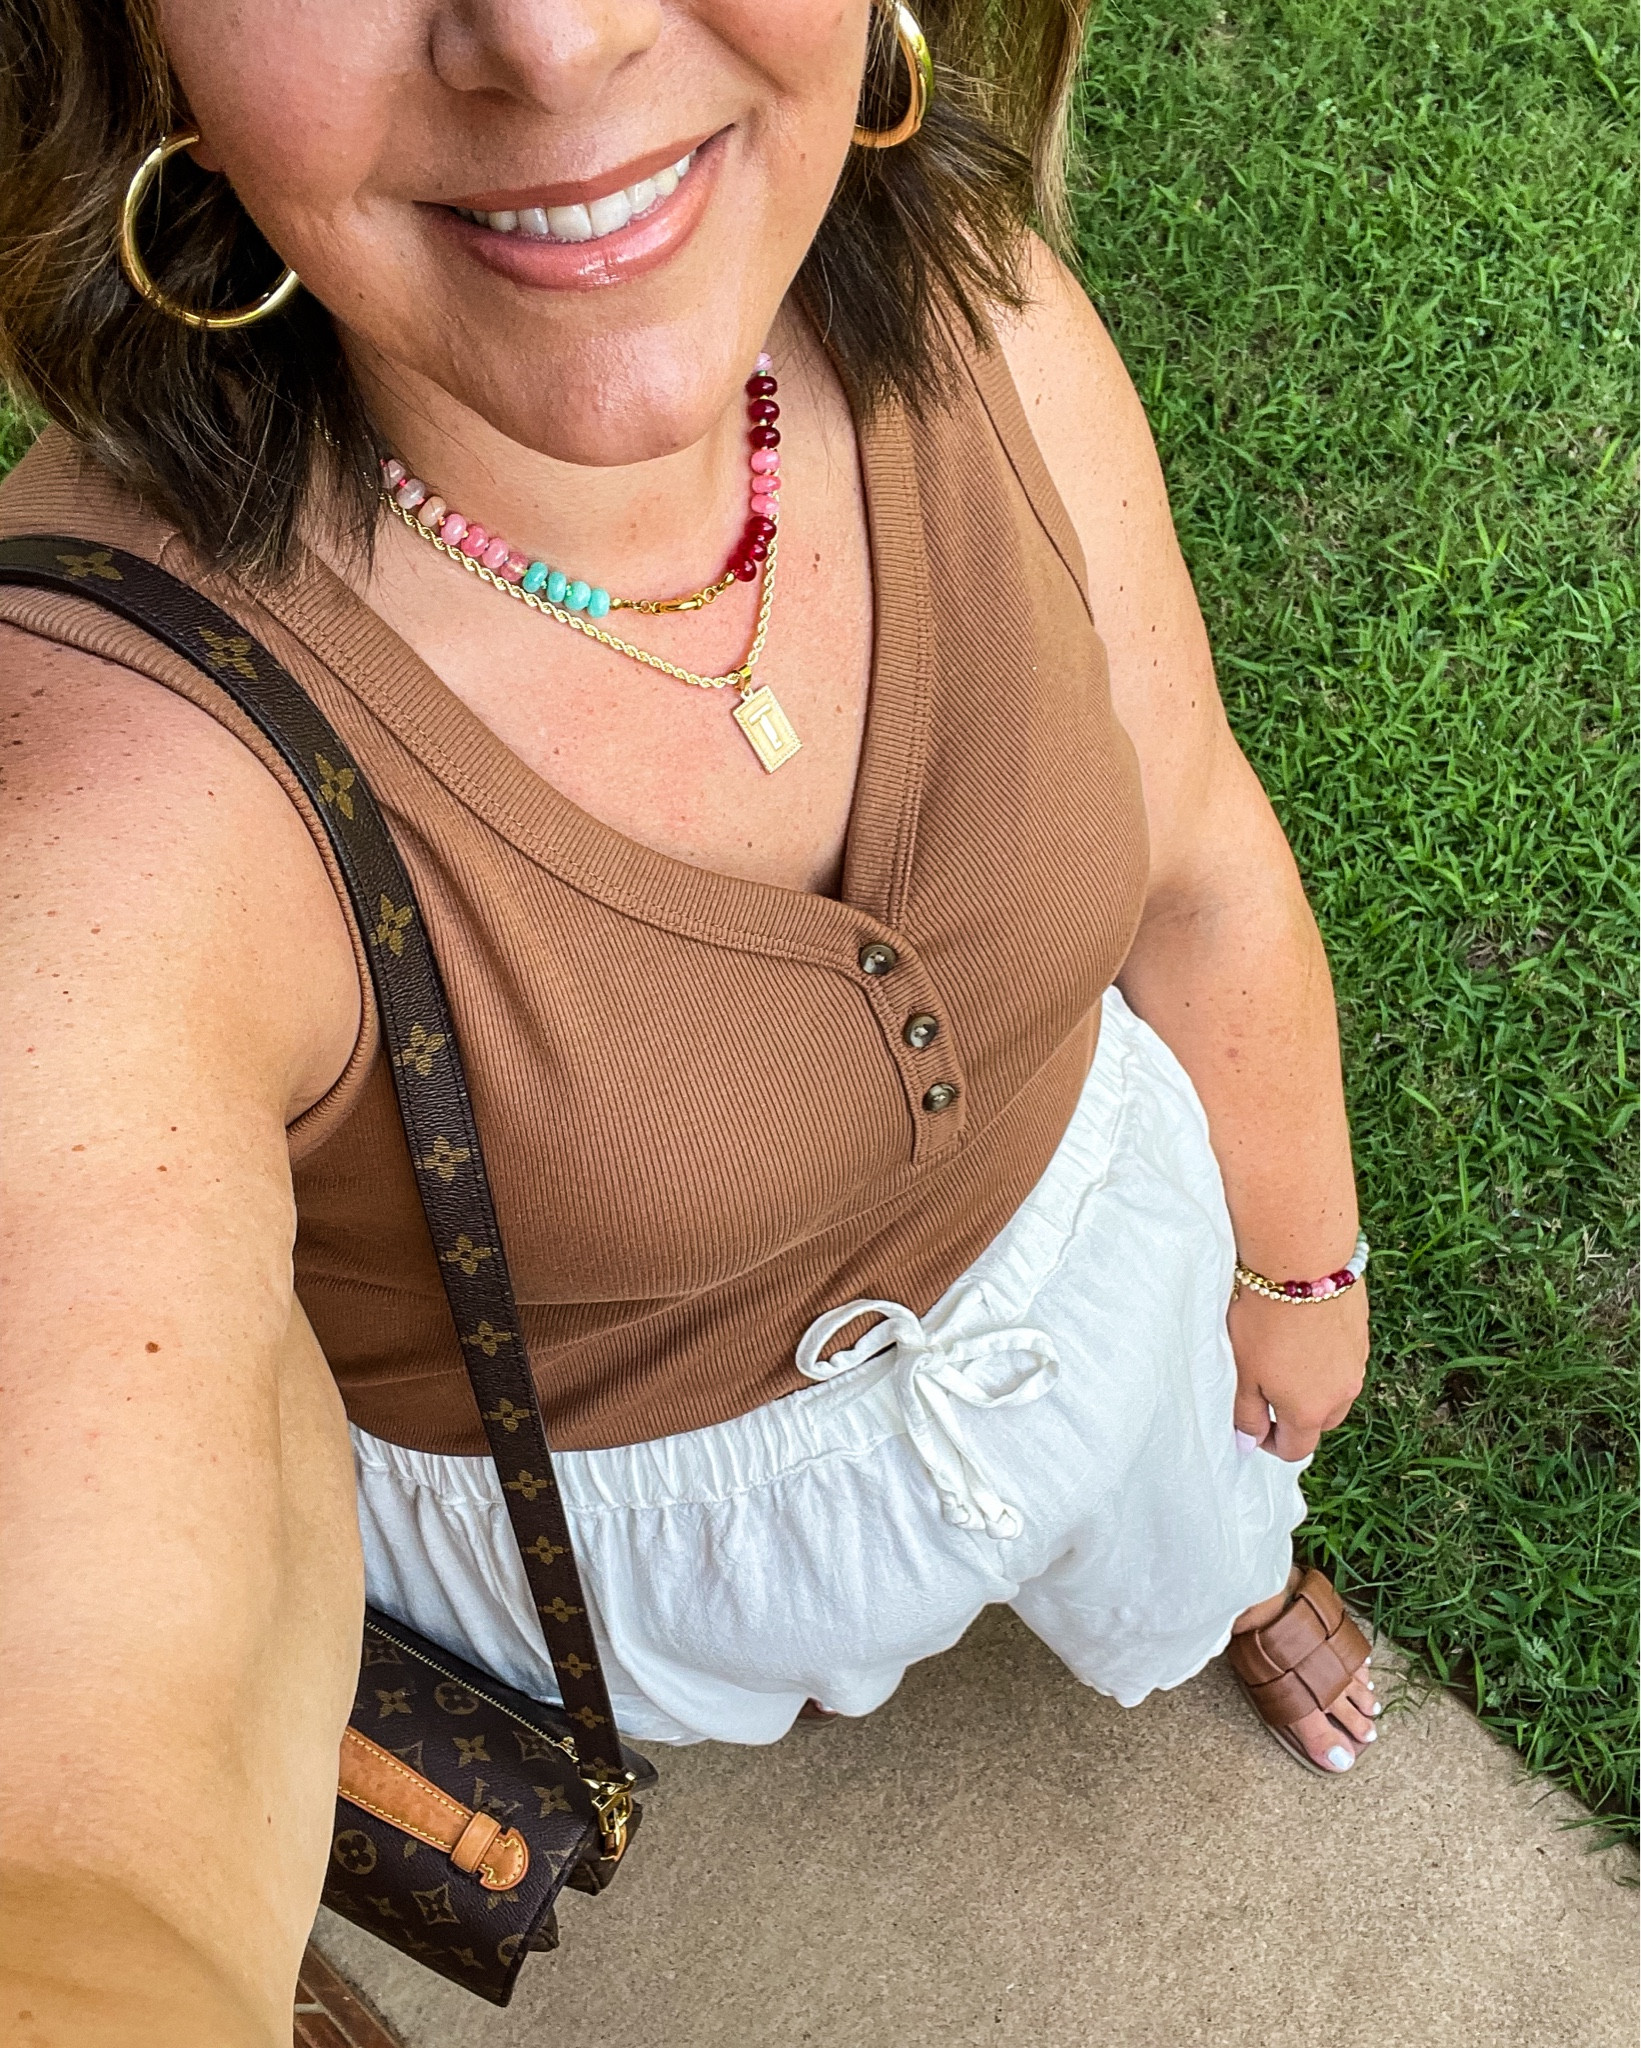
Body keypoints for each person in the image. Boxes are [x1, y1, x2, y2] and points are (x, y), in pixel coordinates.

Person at [0, 2, 1380, 2041]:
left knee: (1192, 1513)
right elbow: (75, 1805)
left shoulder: (974, 306)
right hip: (638, 1558)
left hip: (1122, 1284)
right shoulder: (106, 781)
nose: (554, 41)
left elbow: (1189, 850)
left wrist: (1291, 1259)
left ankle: (1226, 1583)